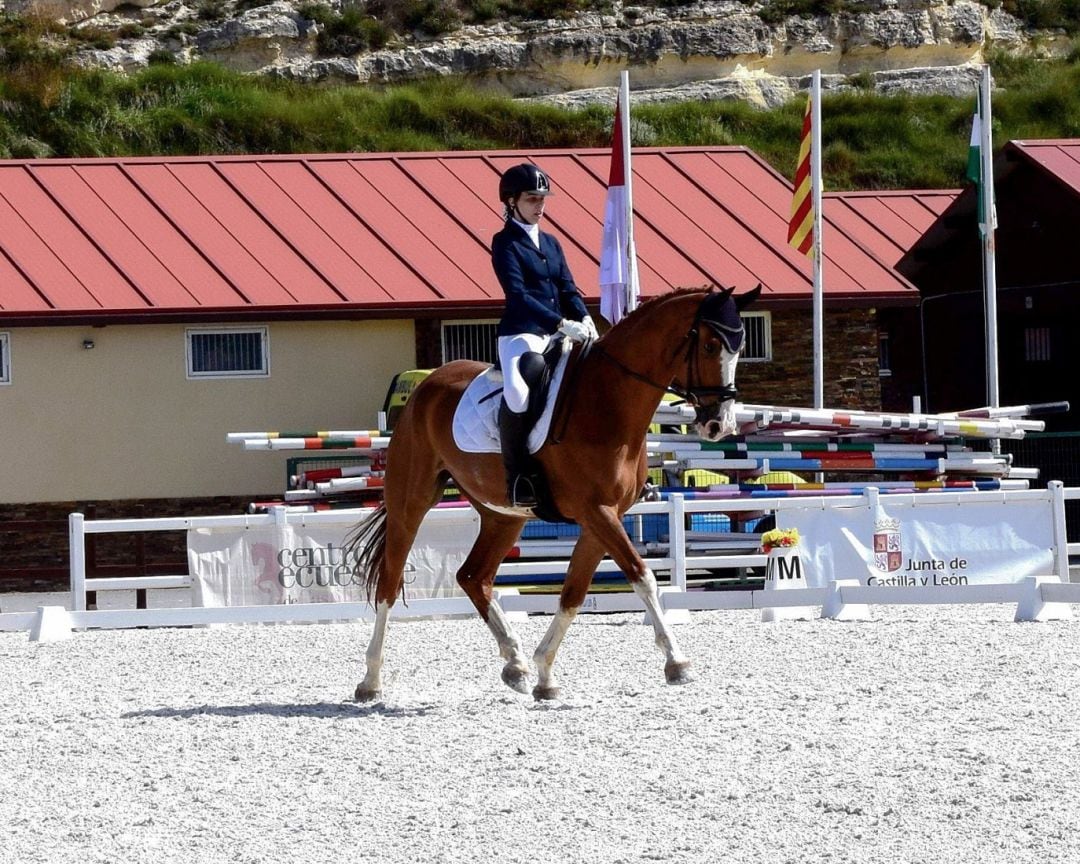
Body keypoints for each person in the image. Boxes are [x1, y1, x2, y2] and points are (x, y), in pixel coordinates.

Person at [492, 163, 598, 507]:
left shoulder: (552, 242)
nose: (540, 205)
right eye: (531, 199)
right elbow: (518, 294)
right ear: (512, 202)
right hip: (521, 335)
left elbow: (568, 287)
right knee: (520, 394)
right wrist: (559, 323)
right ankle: (518, 474)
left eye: (542, 199)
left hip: (560, 332)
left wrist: (583, 315)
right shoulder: (505, 242)